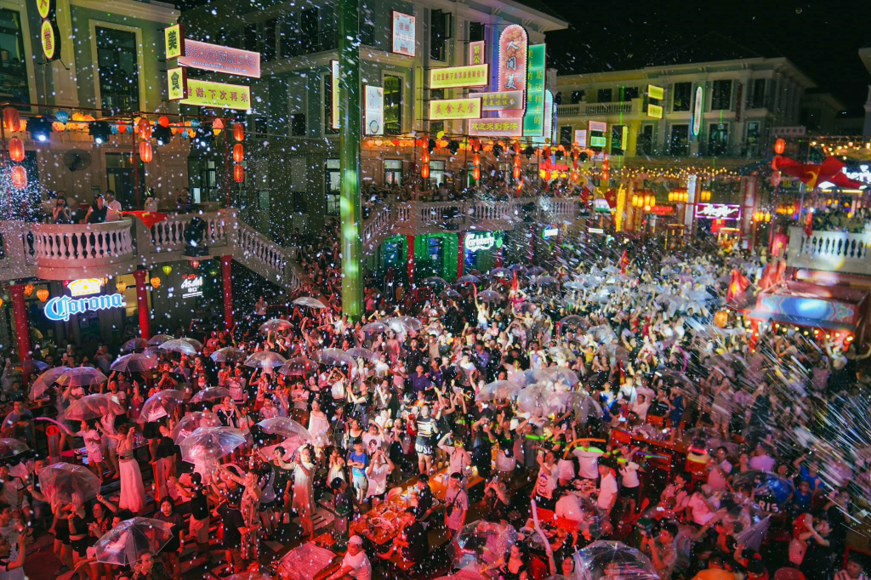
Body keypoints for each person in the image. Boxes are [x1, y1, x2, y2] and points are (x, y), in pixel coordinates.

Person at [153, 498, 183, 580]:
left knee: (175, 562)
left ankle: (177, 577)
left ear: (172, 506)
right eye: (163, 506)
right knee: (165, 561)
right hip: (162, 544)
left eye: (168, 505)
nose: (165, 508)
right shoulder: (157, 515)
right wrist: (153, 542)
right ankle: (170, 575)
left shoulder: (177, 517)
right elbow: (154, 530)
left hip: (174, 544)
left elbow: (181, 533)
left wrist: (182, 545)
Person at [444, 472, 468, 540]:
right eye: (451, 480)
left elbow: (465, 510)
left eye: (454, 481)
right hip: (450, 520)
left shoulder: (463, 495)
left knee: (457, 539)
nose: (451, 482)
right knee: (451, 537)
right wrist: (446, 517)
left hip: (458, 522)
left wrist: (462, 524)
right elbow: (447, 504)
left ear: (458, 482)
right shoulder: (448, 491)